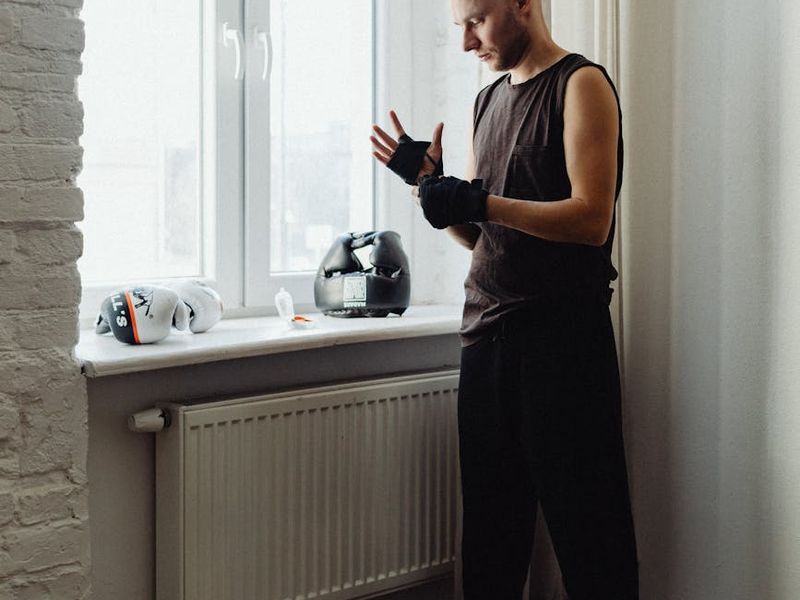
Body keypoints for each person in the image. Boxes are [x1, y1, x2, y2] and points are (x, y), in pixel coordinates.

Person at [370, 0, 639, 598]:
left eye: (477, 21)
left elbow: (591, 219)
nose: (467, 42)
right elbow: (483, 236)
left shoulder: (581, 84)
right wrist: (428, 186)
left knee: (593, 545)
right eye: (459, 27)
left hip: (562, 347)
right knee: (491, 548)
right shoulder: (487, 101)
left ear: (523, 5)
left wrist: (478, 201)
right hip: (486, 345)